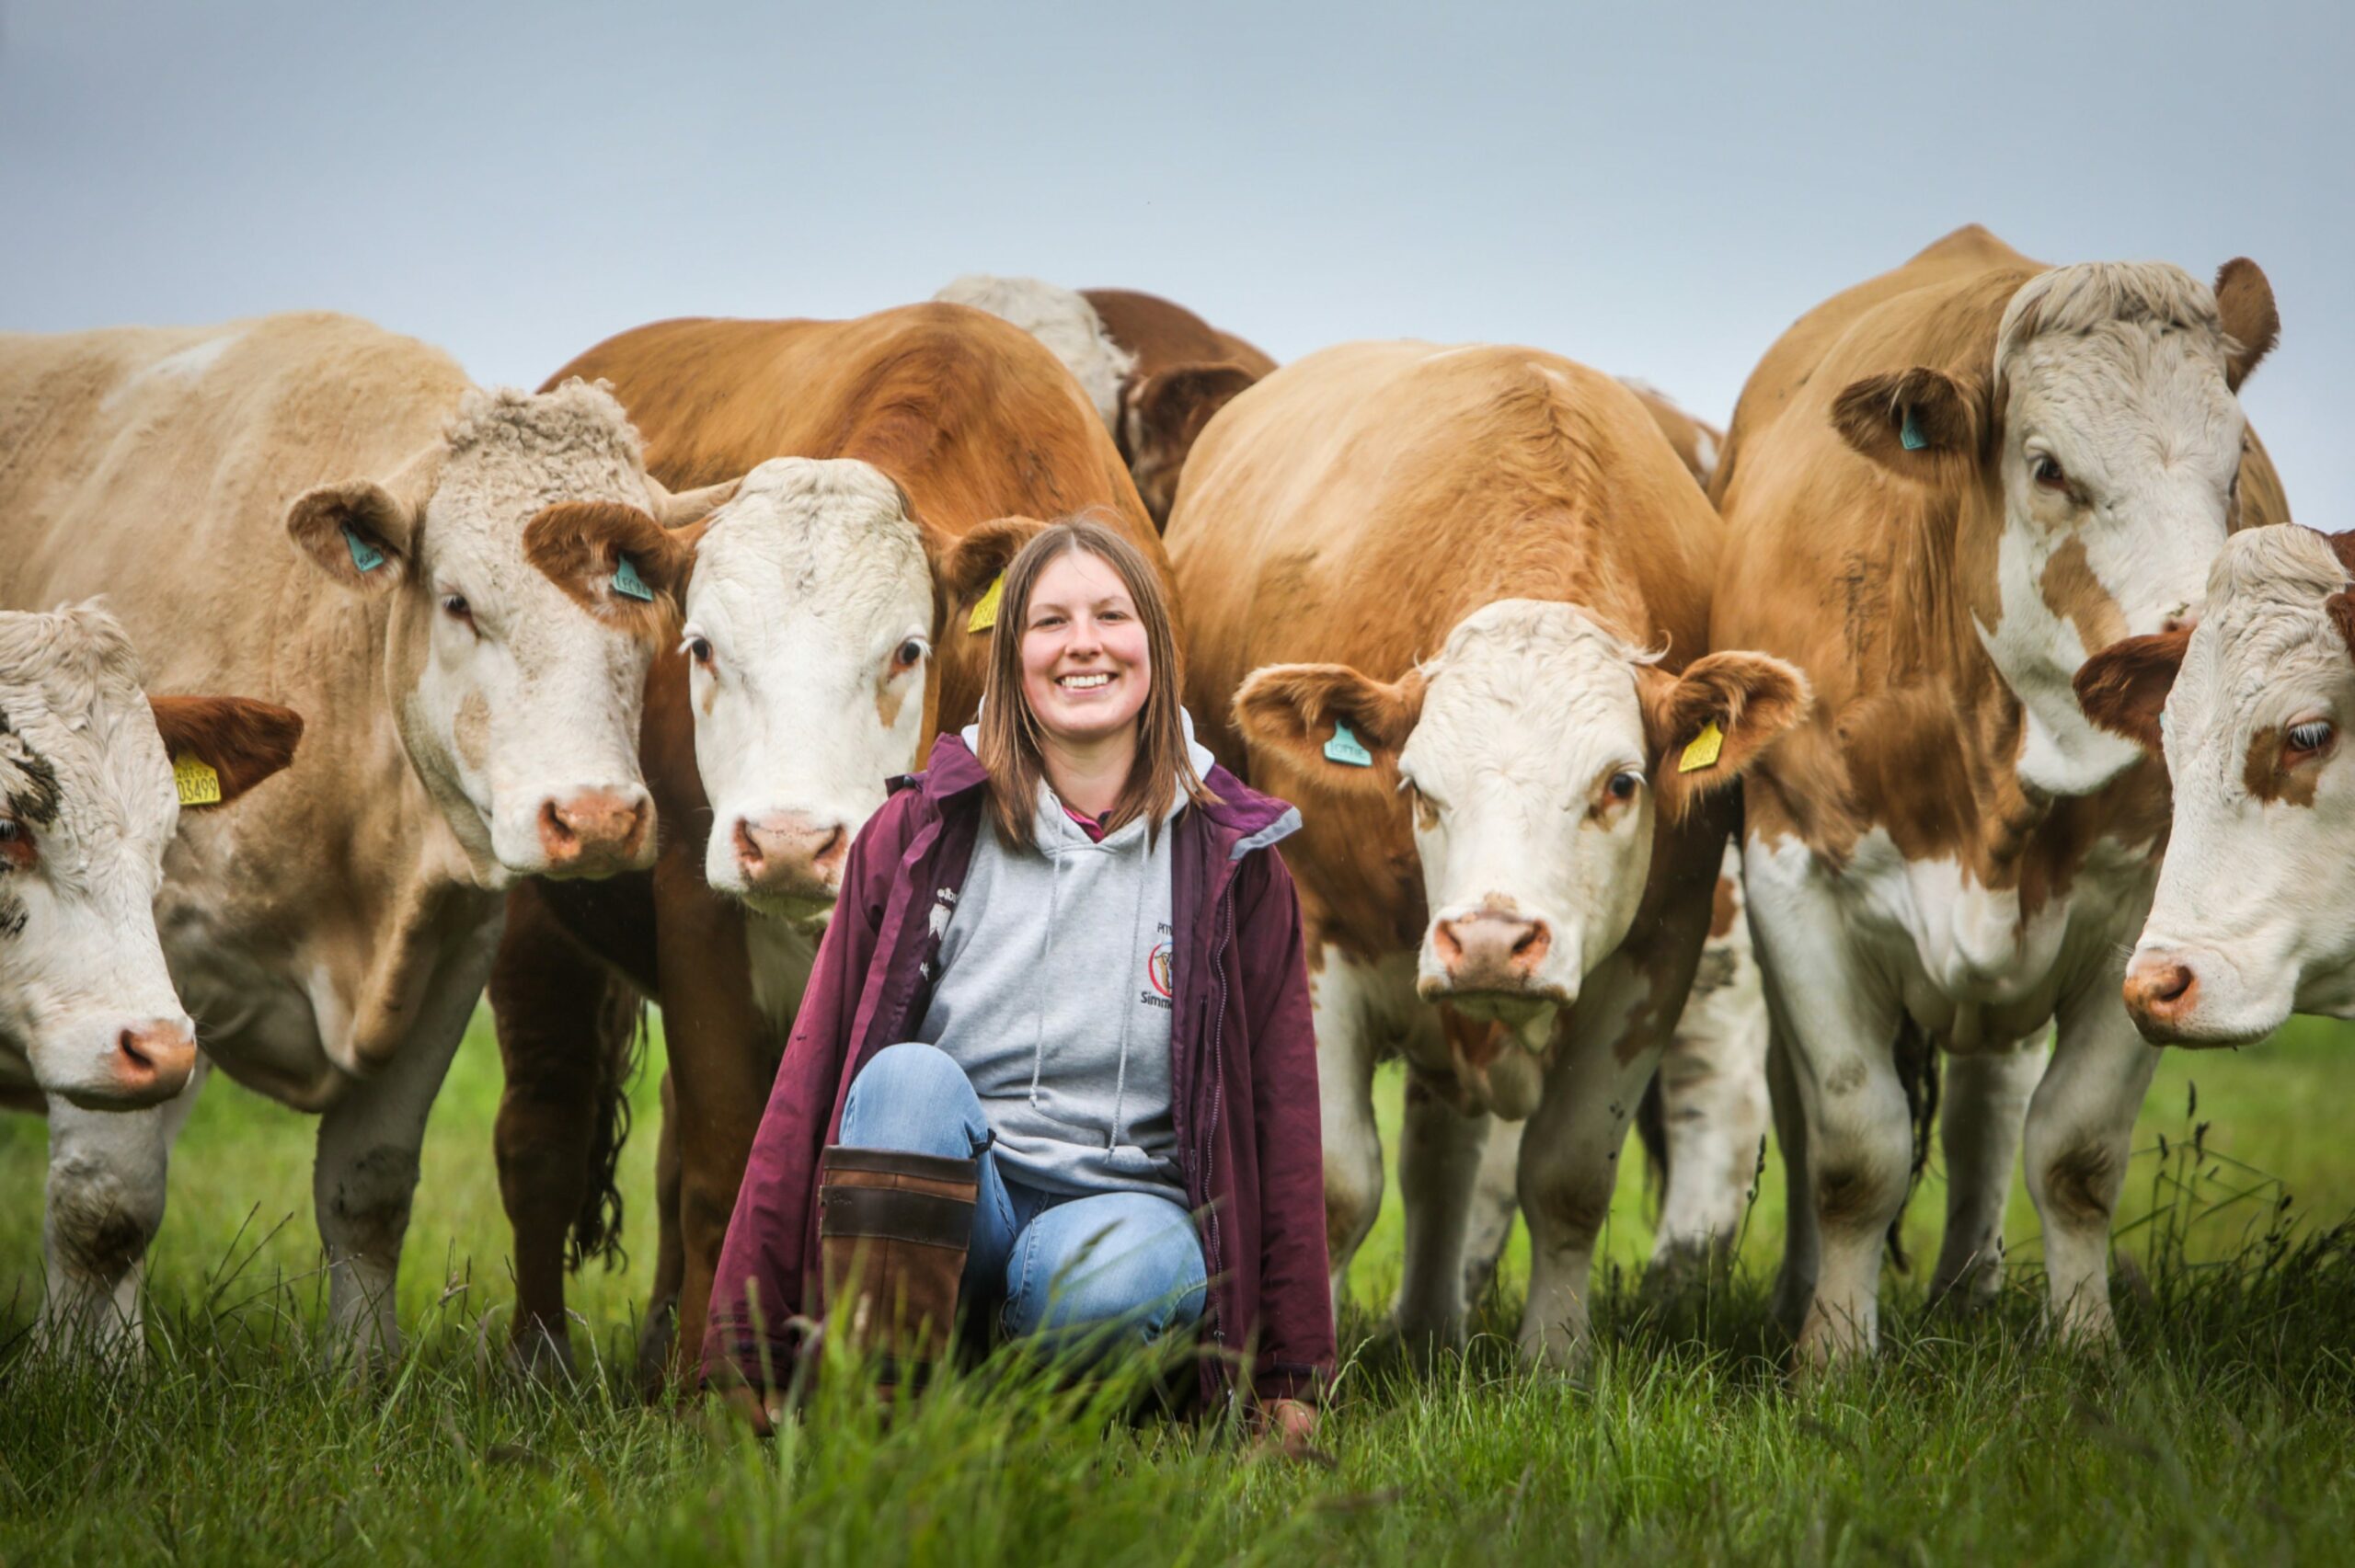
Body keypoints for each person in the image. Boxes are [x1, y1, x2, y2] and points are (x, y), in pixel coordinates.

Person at [705, 514, 1331, 1446]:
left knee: (1129, 1275)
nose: (1083, 644)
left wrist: (1290, 1369)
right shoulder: (920, 832)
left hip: (1127, 1212)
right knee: (901, 1082)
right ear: (1012, 656)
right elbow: (811, 1074)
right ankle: (887, 1427)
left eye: (1112, 616)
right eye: (1049, 622)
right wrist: (745, 1339)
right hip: (961, 1195)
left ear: (1155, 648)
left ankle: (997, 1396)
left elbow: (1283, 1116)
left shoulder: (1233, 862)